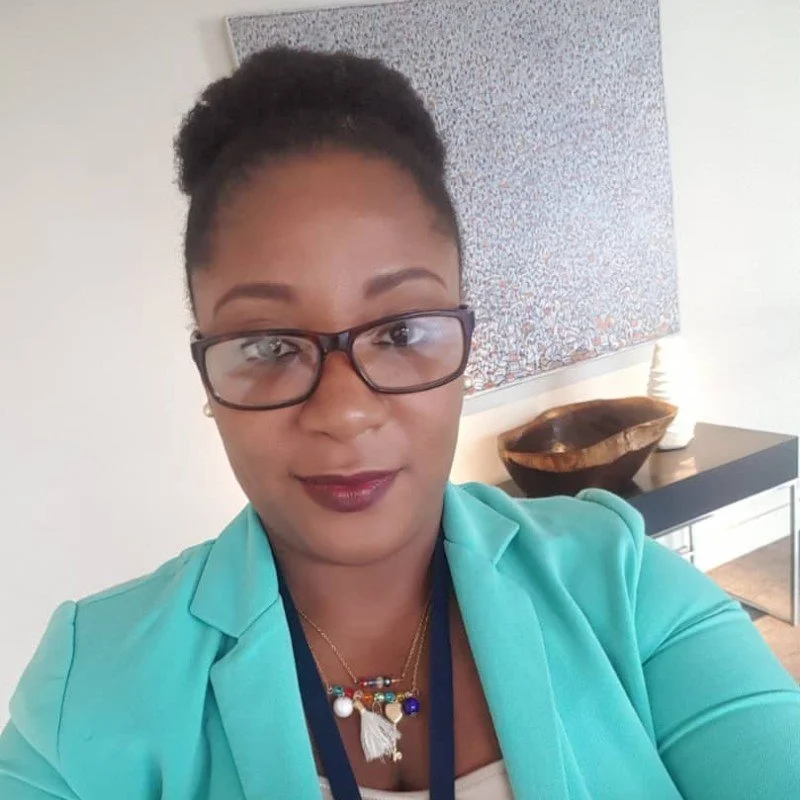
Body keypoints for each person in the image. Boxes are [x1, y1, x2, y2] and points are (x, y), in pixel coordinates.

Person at [1, 46, 799, 800]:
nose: (344, 411)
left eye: (401, 332)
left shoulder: (621, 589)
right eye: (270, 345)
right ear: (207, 376)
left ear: (465, 350)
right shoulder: (93, 684)